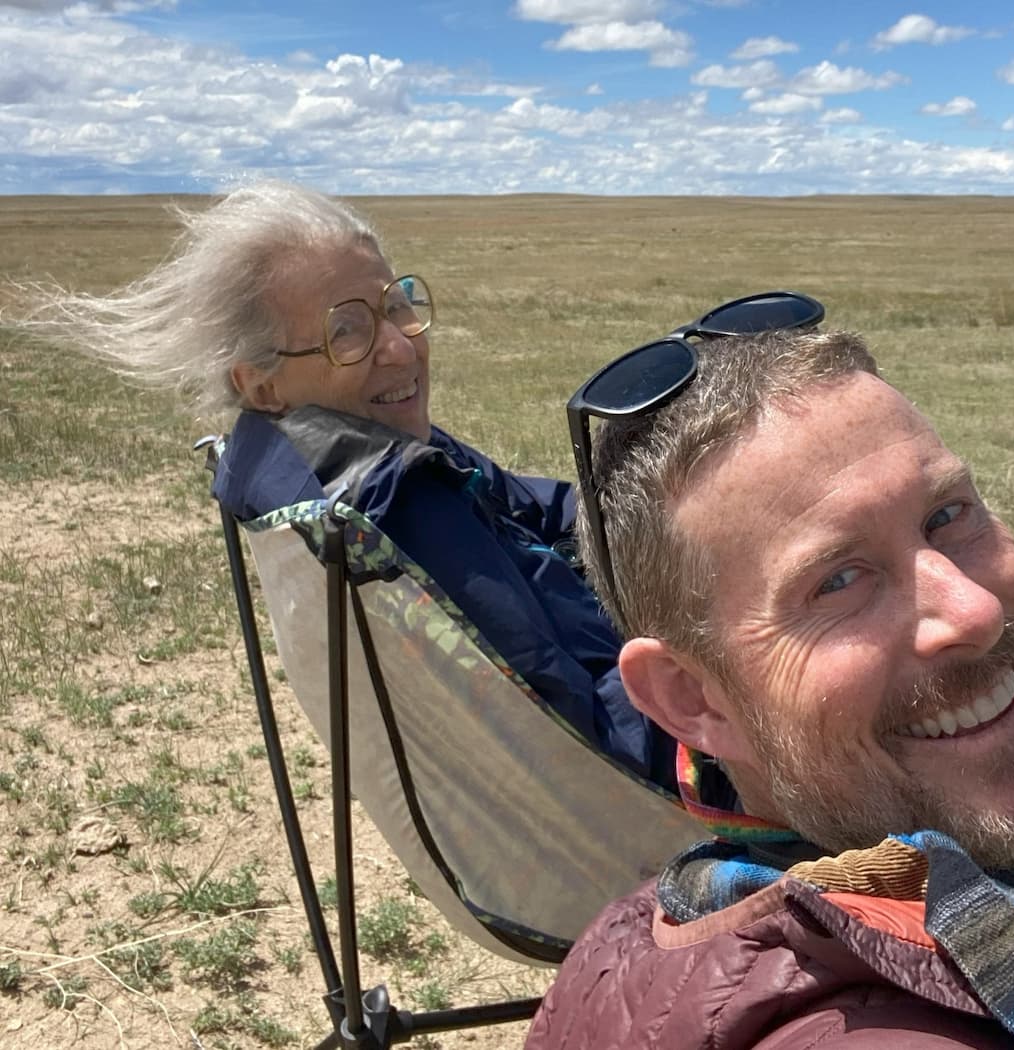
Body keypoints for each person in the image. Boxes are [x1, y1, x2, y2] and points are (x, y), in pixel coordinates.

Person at [527, 323, 1014, 1048]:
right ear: (693, 700)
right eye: (838, 581)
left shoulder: (650, 931)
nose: (975, 611)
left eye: (948, 516)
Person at [11, 181, 676, 792]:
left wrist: (668, 532)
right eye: (346, 331)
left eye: (395, 306)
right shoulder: (398, 505)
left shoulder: (358, 452)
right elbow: (598, 743)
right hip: (674, 768)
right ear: (260, 383)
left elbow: (536, 504)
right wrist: (702, 640)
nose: (399, 347)